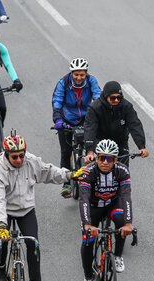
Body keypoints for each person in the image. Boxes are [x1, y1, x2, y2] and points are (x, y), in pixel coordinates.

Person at [0, 134, 74, 281]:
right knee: (1, 241)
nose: (19, 160)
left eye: (22, 155)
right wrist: (1, 225)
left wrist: (69, 175)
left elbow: (48, 171)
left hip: (26, 209)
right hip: (5, 211)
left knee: (33, 245)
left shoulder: (30, 161)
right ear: (6, 155)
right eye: (15, 157)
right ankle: (0, 268)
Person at [79, 140, 134, 281]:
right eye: (101, 158)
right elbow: (83, 199)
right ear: (96, 158)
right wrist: (87, 224)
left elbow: (126, 197)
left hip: (112, 203)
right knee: (87, 240)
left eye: (109, 159)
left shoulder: (122, 171)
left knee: (122, 222)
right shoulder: (88, 172)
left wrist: (129, 223)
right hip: (93, 206)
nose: (104, 162)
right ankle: (88, 277)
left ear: (115, 160)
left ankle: (117, 256)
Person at [52, 58, 101, 198]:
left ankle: (95, 179)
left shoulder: (92, 82)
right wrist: (58, 120)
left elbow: (98, 99)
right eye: (76, 74)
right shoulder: (63, 83)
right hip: (67, 118)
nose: (79, 78)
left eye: (82, 74)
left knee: (92, 148)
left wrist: (100, 116)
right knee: (66, 151)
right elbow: (57, 101)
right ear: (71, 73)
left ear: (86, 74)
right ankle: (66, 183)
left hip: (87, 117)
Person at [84, 81, 149, 166]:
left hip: (120, 142)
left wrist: (141, 147)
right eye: (112, 98)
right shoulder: (94, 108)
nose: (116, 100)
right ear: (106, 96)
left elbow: (135, 125)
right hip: (100, 141)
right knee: (102, 166)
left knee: (124, 169)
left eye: (119, 97)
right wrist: (90, 151)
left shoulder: (126, 106)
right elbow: (90, 128)